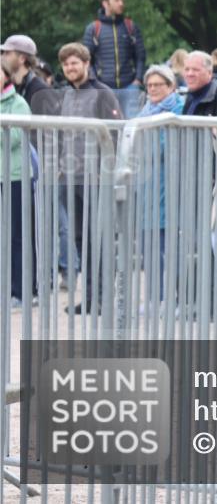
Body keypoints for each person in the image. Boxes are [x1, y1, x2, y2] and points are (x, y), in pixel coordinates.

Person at [55, 43, 122, 314]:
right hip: (71, 178)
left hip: (96, 178)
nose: (70, 68)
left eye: (75, 63)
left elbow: (115, 134)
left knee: (100, 239)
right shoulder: (66, 96)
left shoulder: (103, 94)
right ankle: (91, 298)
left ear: (86, 63)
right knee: (82, 239)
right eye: (66, 64)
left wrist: (106, 169)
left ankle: (105, 299)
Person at [136, 64, 184, 301]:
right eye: (149, 85)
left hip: (169, 184)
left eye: (158, 84)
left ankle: (172, 297)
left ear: (171, 86)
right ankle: (155, 297)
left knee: (168, 247)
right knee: (149, 248)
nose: (153, 89)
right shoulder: (145, 110)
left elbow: (166, 146)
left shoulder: (178, 108)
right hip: (147, 187)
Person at [83, 0, 147, 118]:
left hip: (130, 87)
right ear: (105, 3)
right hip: (104, 87)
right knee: (107, 127)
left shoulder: (130, 26)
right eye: (117, 0)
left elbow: (140, 56)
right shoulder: (93, 28)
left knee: (132, 127)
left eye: (122, 0)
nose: (121, 4)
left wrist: (138, 80)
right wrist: (95, 83)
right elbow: (87, 60)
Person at [1, 63, 33, 308]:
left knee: (17, 237)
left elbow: (13, 138)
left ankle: (22, 291)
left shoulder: (18, 104)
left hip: (15, 175)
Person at [1, 34, 54, 114]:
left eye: (7, 53)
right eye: (3, 53)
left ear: (22, 58)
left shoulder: (40, 91)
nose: (2, 57)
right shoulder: (7, 86)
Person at [182, 51, 217, 116]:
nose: (190, 74)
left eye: (195, 69)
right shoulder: (190, 95)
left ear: (209, 73)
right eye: (187, 69)